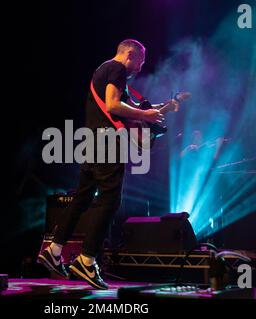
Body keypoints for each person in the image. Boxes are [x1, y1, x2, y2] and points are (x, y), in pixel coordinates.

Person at [37, 39, 179, 289]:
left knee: (82, 198)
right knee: (110, 200)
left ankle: (54, 249)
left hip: (93, 140)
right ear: (130, 55)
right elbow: (114, 105)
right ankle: (86, 259)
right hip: (106, 141)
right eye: (141, 61)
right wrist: (145, 115)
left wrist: (159, 108)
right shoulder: (117, 69)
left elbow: (124, 108)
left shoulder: (103, 70)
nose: (141, 67)